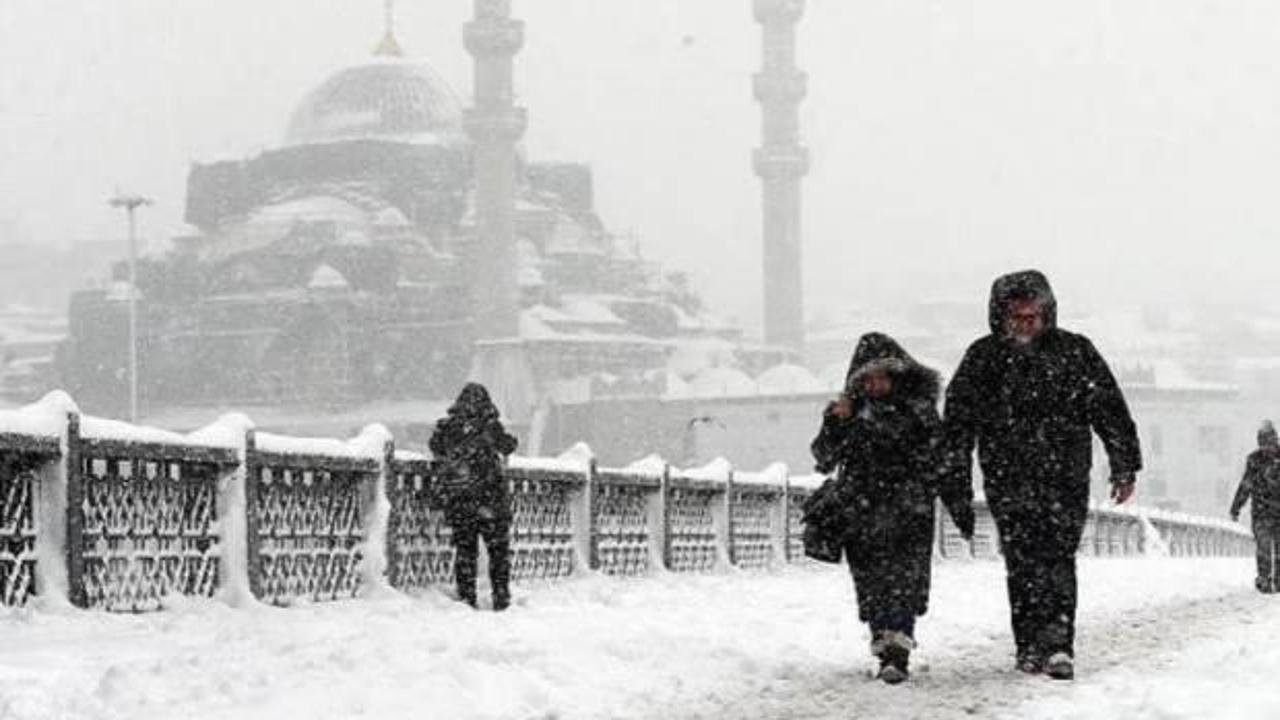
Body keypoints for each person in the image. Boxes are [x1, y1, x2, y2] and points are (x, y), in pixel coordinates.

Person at [943, 270, 1142, 680]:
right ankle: (1029, 644)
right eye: (1017, 318)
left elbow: (1109, 409)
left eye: (1032, 317)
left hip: (1064, 476)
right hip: (1007, 476)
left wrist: (1124, 465)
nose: (1025, 325)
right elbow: (957, 427)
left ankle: (1057, 644)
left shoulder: (1074, 352)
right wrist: (956, 485)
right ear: (1001, 317)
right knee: (1022, 560)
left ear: (1047, 314)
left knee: (1057, 557)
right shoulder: (983, 359)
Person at [811, 332, 975, 685]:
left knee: (905, 581)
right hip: (862, 512)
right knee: (872, 584)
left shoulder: (919, 411)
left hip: (909, 511)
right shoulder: (850, 413)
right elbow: (824, 459)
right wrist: (835, 422)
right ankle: (884, 644)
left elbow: (943, 461)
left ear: (898, 375)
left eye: (882, 376)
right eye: (867, 378)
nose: (875, 384)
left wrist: (958, 504)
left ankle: (897, 649)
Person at [429, 383, 519, 611]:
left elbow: (435, 447)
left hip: (461, 501)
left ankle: (467, 597)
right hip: (490, 499)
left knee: (465, 552)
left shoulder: (449, 427)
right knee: (498, 552)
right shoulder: (489, 426)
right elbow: (507, 446)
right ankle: (501, 597)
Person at [1230, 420, 1280, 594]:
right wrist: (1236, 507)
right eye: (1263, 443)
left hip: (1271, 511)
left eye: (1270, 443)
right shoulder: (1254, 460)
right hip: (1261, 512)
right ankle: (1264, 580)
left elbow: (1246, 484)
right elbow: (1246, 485)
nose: (1267, 447)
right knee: (1264, 547)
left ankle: (1278, 580)